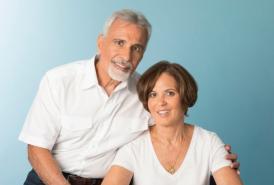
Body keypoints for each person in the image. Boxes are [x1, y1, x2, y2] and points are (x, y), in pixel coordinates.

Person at [19, 9, 239, 185]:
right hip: (48, 179)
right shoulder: (59, 80)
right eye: (119, 43)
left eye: (136, 48)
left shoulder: (146, 92)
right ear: (101, 42)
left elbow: (171, 128)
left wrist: (215, 155)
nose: (126, 56)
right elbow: (36, 149)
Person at [102, 61, 243, 185]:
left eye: (170, 93)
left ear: (185, 96)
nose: (161, 102)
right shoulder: (133, 147)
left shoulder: (209, 142)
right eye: (153, 94)